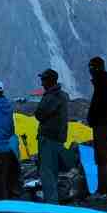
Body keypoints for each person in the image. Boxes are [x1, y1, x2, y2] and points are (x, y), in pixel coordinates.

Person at [34, 69, 72, 204]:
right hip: (58, 138)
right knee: (53, 171)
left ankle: (51, 203)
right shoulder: (62, 95)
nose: (42, 82)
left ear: (48, 81)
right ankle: (54, 199)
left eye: (43, 80)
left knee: (47, 172)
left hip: (49, 138)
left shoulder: (51, 96)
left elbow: (39, 114)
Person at [86, 56, 107, 197]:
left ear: (96, 68)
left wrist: (93, 118)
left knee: (101, 157)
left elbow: (99, 105)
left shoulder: (101, 83)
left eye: (91, 68)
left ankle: (102, 190)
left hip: (101, 125)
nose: (90, 71)